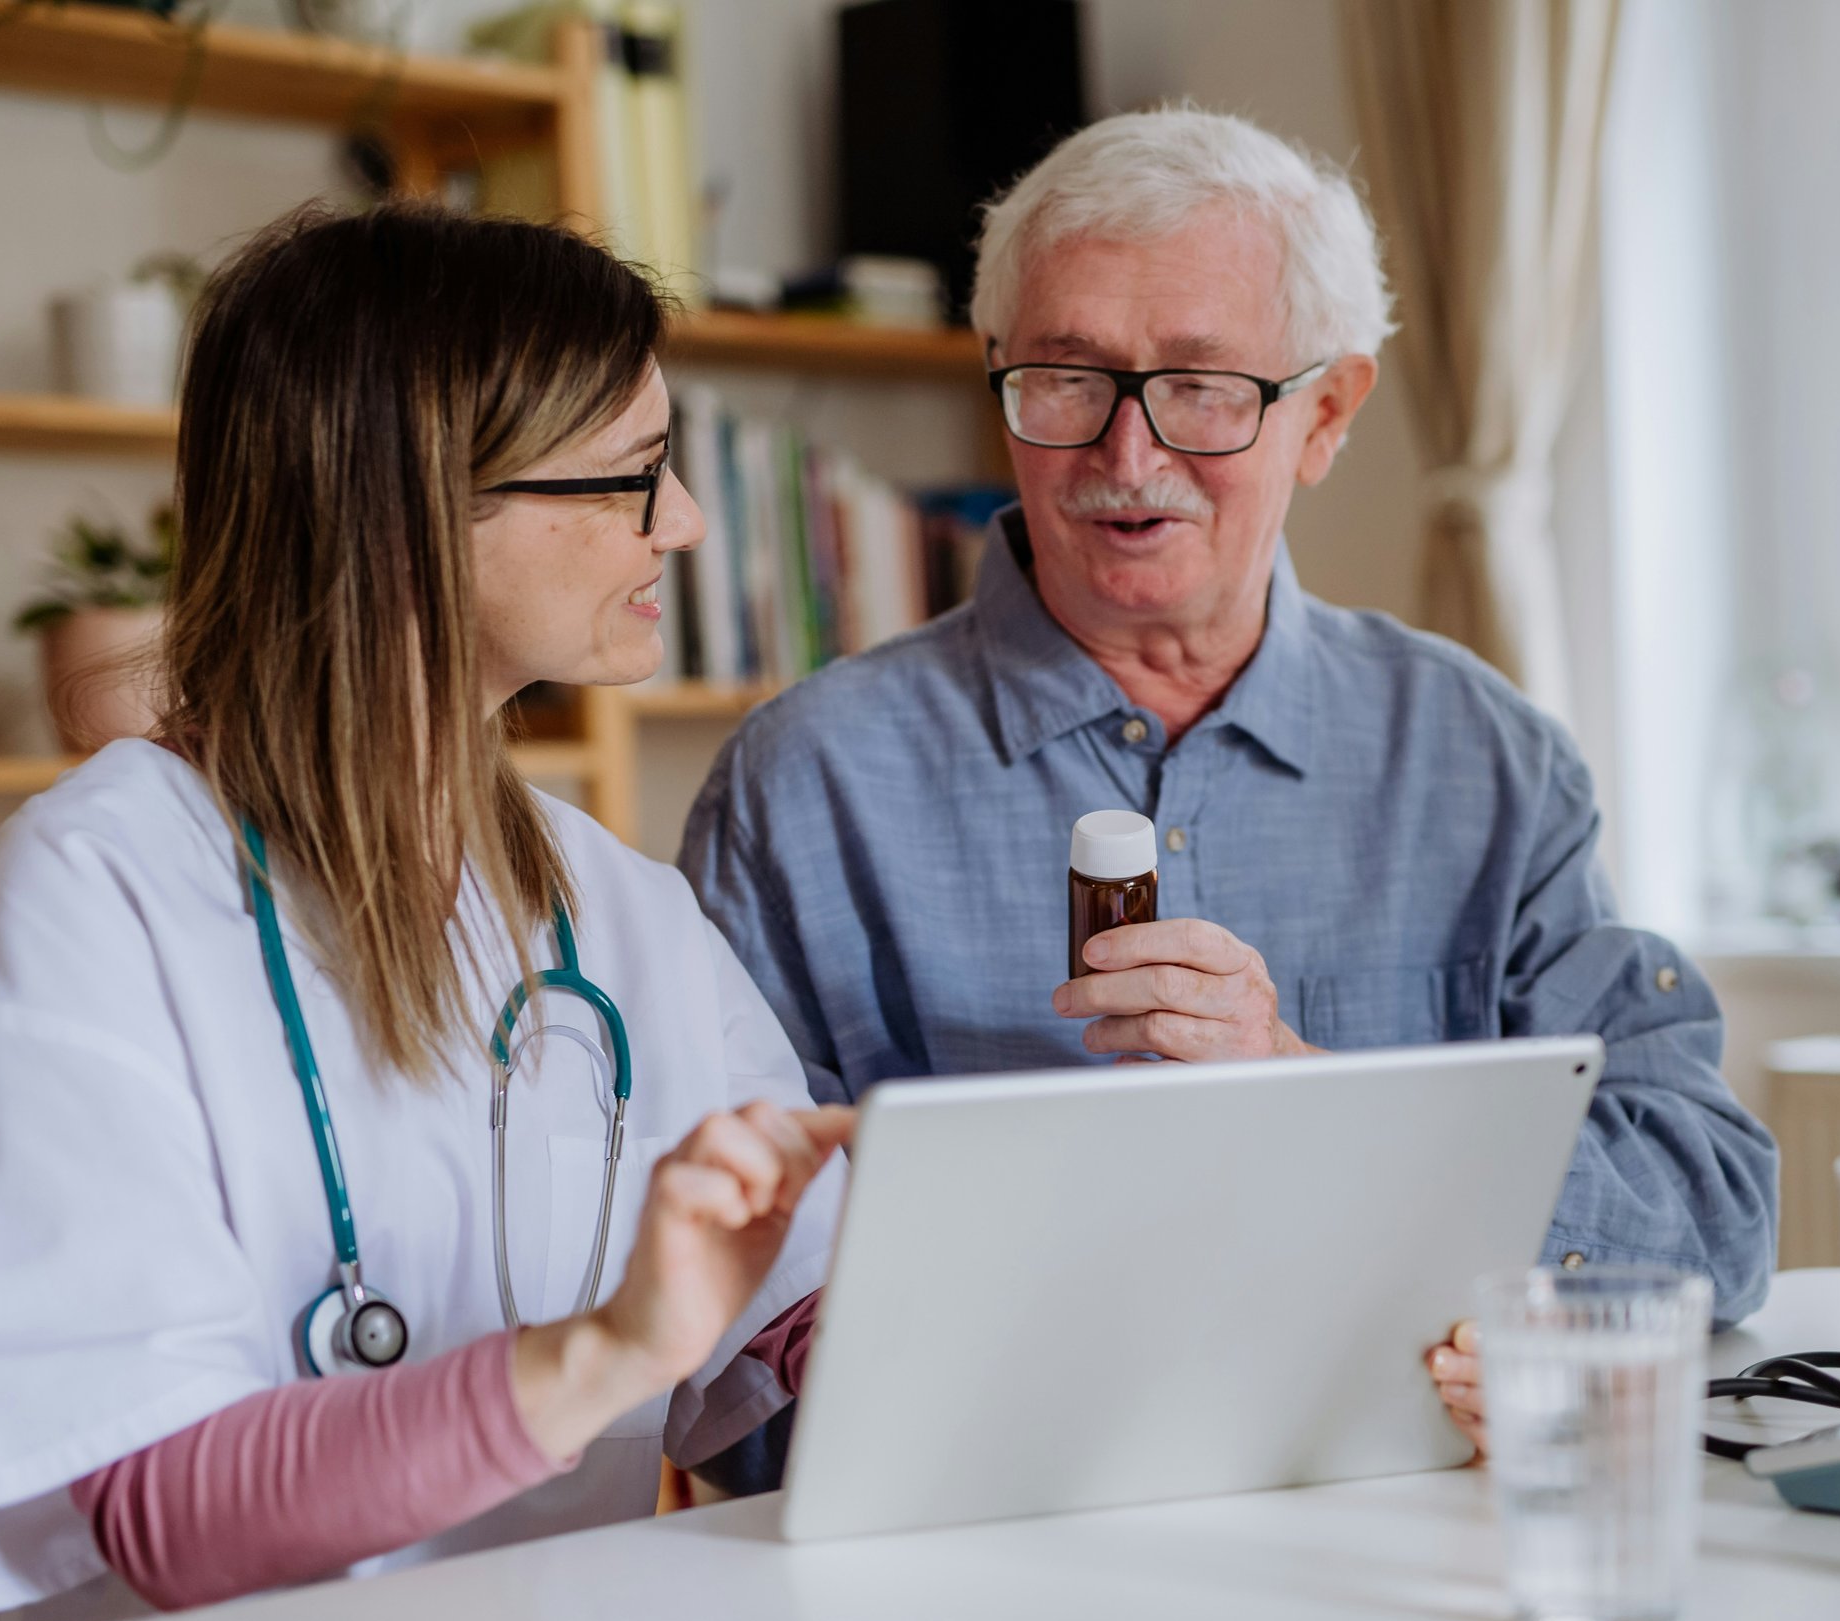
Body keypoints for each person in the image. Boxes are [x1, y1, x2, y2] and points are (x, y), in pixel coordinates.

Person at [680, 109, 1779, 1452]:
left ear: (1326, 414)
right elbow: (714, 1353)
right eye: (1067, 379)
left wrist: (1326, 1102)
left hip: (1412, 1538)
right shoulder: (805, 790)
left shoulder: (1484, 759)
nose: (1126, 460)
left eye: (1201, 387)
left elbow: (1712, 1209)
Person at [0, 203, 846, 1621]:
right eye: (635, 477)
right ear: (418, 509)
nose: (682, 523)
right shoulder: (80, 903)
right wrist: (609, 1351)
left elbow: (789, 1305)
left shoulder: (615, 910)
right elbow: (162, 1510)